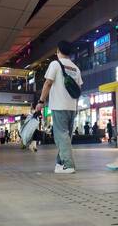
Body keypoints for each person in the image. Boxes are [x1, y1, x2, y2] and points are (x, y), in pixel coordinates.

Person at [36, 40, 83, 174]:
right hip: (71, 107)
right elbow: (78, 90)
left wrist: (41, 101)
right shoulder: (75, 68)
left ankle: (69, 165)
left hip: (59, 106)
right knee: (66, 137)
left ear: (58, 51)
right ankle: (60, 163)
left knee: (61, 136)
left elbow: (48, 84)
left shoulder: (55, 64)